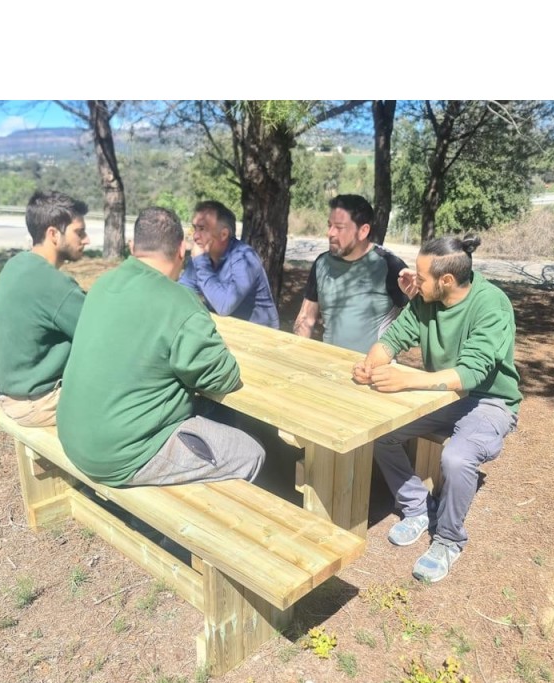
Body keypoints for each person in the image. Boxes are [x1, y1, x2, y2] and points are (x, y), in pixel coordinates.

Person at [352, 234, 522, 583]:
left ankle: (448, 540)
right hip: (444, 396)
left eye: (421, 276)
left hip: (491, 400)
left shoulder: (492, 305)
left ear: (446, 281)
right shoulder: (426, 301)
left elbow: (473, 372)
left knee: (456, 458)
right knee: (382, 434)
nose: (414, 281)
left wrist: (407, 380)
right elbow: (393, 339)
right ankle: (417, 507)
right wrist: (372, 363)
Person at [56, 206, 265, 488]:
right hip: (125, 454)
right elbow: (224, 377)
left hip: (73, 437)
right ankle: (184, 531)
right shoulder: (178, 301)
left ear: (133, 247)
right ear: (182, 249)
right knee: (250, 453)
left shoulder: (103, 284)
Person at [0, 190, 90, 427]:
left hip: (8, 394)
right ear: (53, 234)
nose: (87, 239)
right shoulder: (53, 284)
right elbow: (101, 331)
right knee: (131, 394)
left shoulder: (18, 264)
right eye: (79, 232)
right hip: (37, 402)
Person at [293, 194, 407, 352]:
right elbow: (306, 318)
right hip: (328, 367)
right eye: (329, 225)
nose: (330, 233)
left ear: (363, 231)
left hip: (371, 371)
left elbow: (418, 318)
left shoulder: (390, 266)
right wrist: (297, 354)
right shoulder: (322, 263)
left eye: (339, 227)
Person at [178, 200, 279, 329]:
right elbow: (182, 292)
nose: (195, 236)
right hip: (227, 331)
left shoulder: (244, 258)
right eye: (195, 228)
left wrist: (201, 262)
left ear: (224, 234)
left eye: (202, 229)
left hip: (262, 337)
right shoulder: (201, 257)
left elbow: (224, 306)